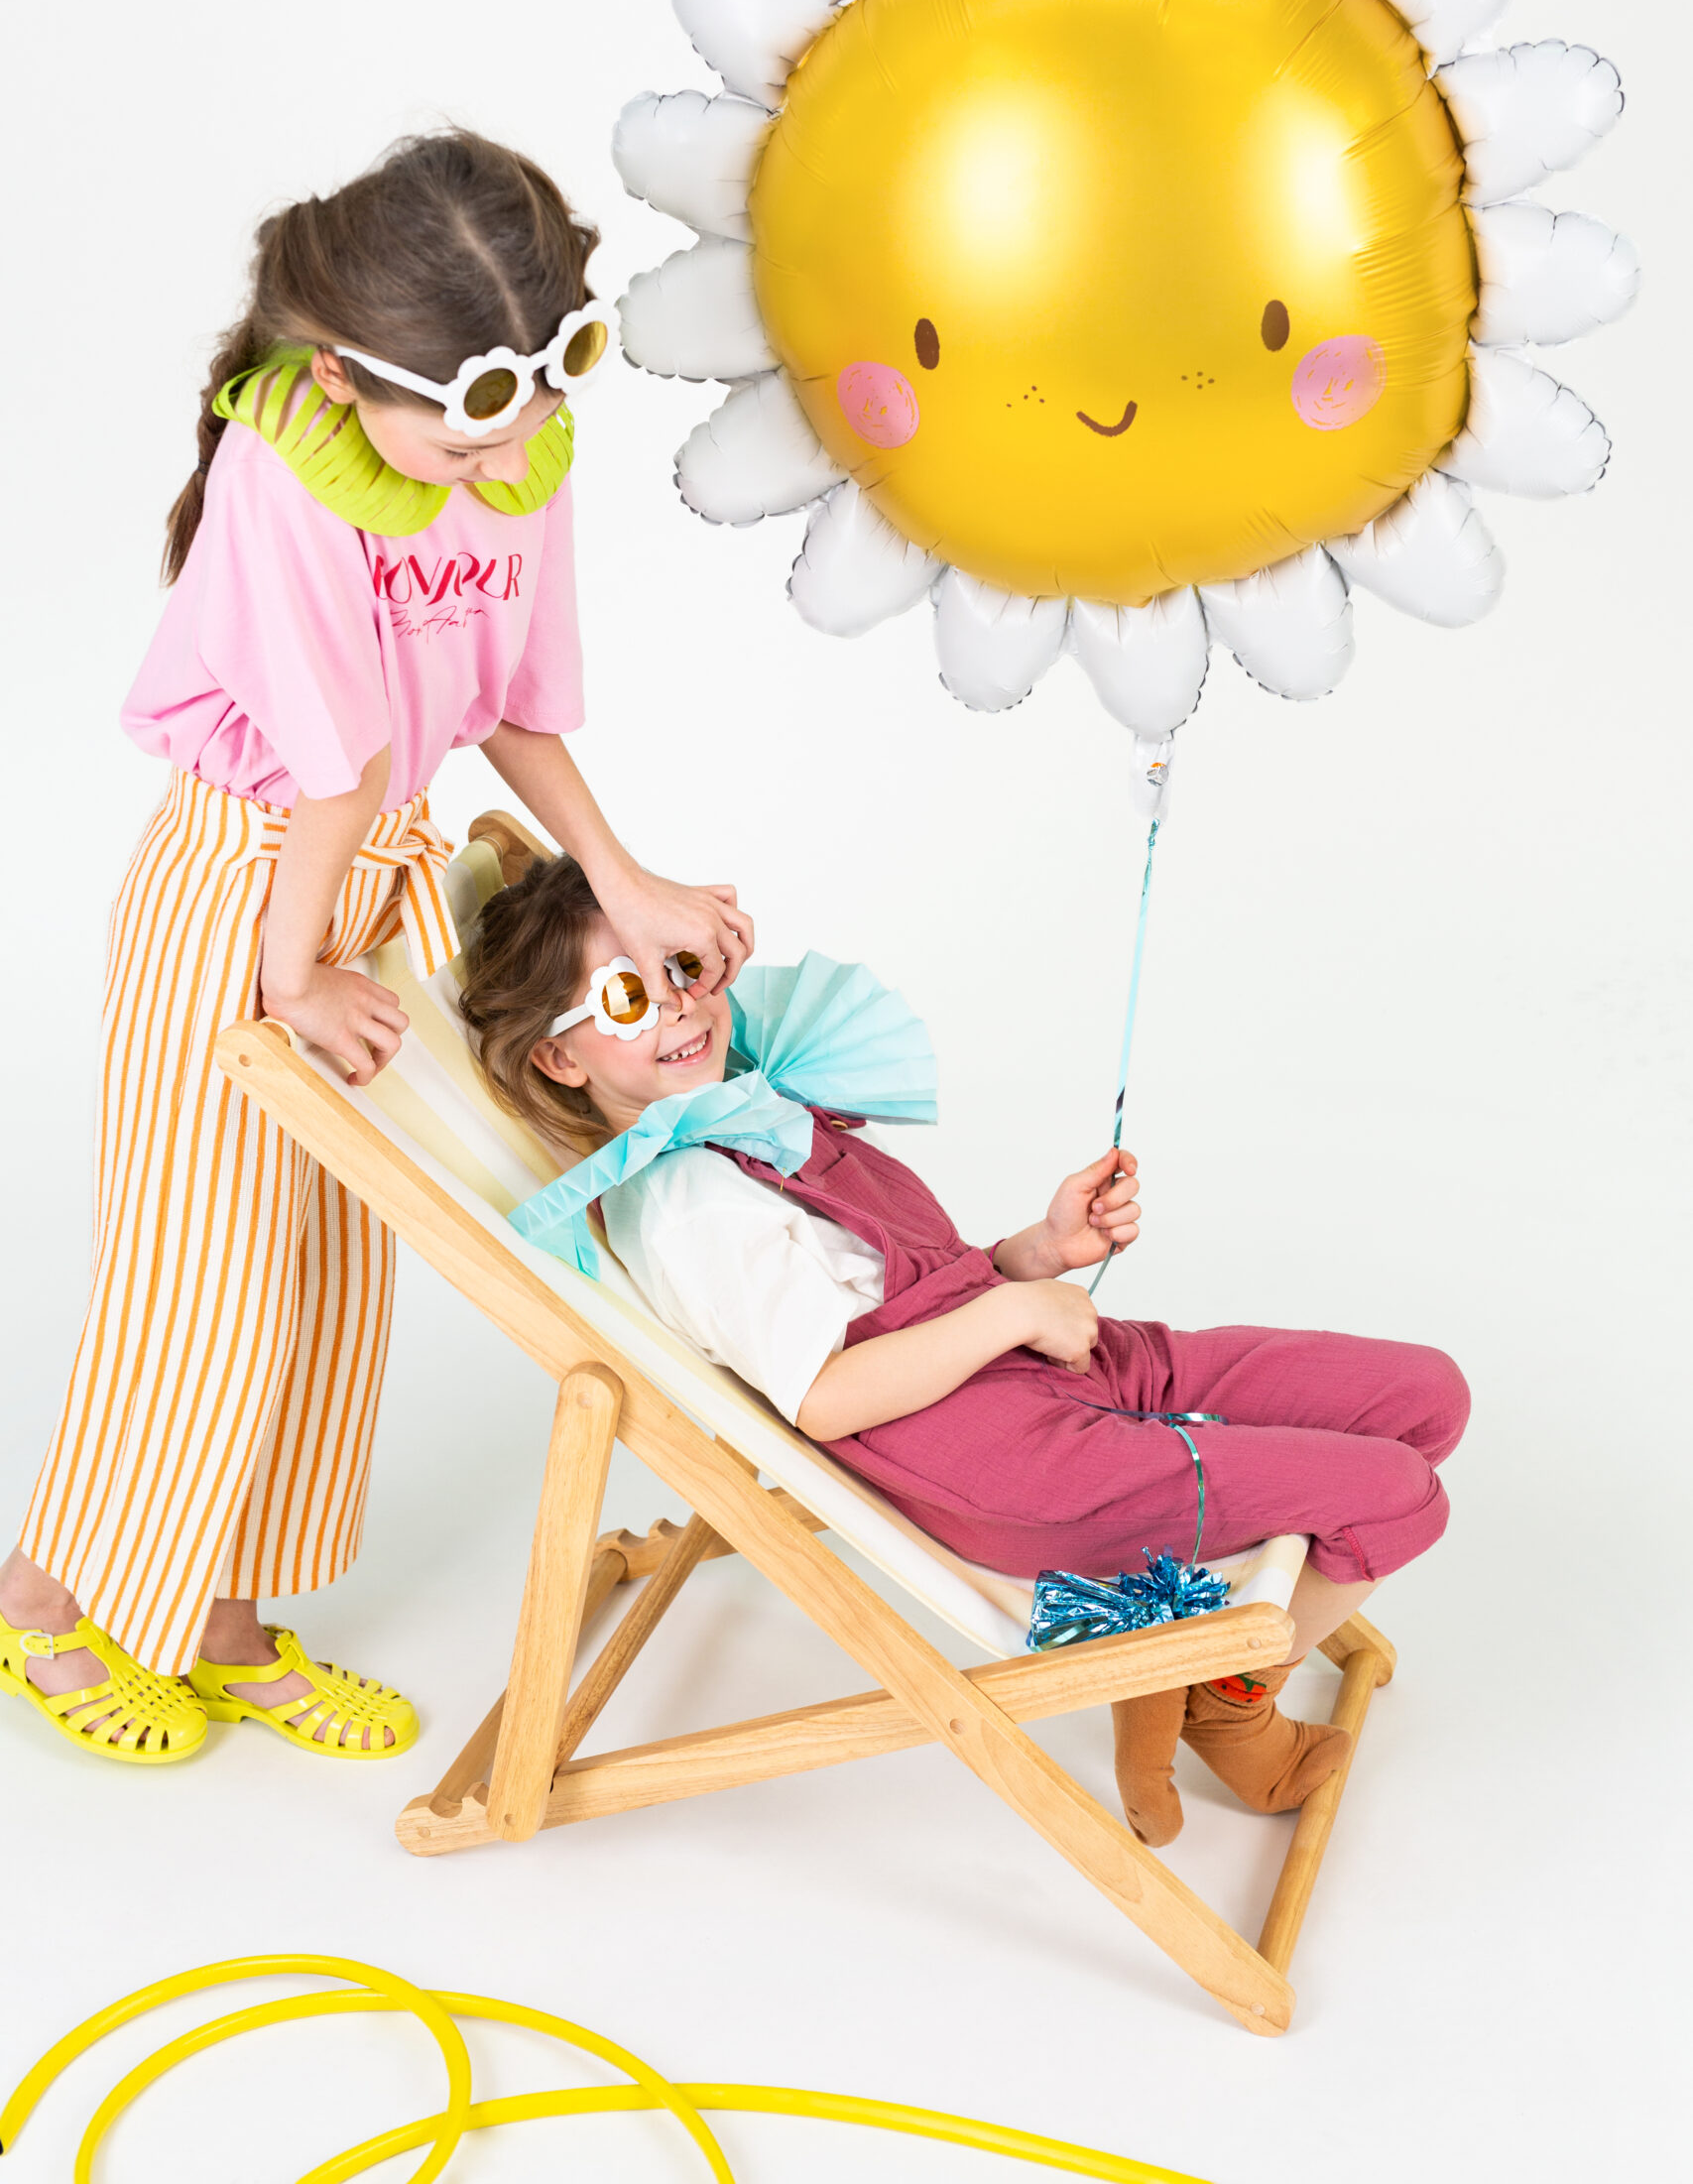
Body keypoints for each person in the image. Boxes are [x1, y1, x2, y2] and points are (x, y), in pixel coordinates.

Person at [0, 132, 752, 1767]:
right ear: (340, 378)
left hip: (363, 881)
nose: (502, 457)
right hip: (245, 886)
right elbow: (330, 754)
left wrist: (618, 878)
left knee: (332, 1281)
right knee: (200, 1284)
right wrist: (288, 975)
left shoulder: (511, 444)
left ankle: (219, 1617)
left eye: (531, 413)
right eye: (464, 434)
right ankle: (47, 1601)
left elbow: (505, 701)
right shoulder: (284, 479)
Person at [458, 851, 1469, 1848]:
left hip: (1039, 1363)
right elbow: (824, 1396)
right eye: (628, 995)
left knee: (1427, 1399)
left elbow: (894, 1291)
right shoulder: (687, 1206)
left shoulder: (751, 1118)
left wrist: (1035, 1253)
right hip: (1003, 1458)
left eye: (680, 966)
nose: (680, 1004)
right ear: (559, 1058)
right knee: (1397, 1495)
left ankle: (1186, 1661)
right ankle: (1225, 1695)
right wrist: (1013, 1313)